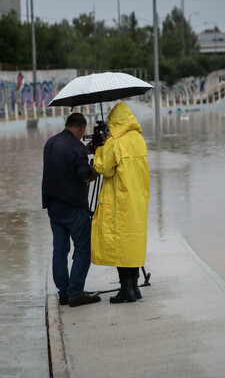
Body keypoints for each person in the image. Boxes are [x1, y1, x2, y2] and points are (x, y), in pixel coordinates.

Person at [91, 102, 150, 303]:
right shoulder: (138, 139)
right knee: (132, 242)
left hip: (119, 201)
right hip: (137, 200)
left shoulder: (115, 142)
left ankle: (126, 289)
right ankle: (134, 287)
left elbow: (102, 167)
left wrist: (100, 148)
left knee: (120, 244)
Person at [42, 112, 101, 307]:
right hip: (75, 208)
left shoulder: (50, 143)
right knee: (83, 249)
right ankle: (75, 293)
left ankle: (64, 293)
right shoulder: (76, 147)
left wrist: (85, 151)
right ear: (82, 128)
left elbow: (64, 163)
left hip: (54, 207)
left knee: (59, 250)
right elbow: (84, 175)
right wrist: (98, 168)